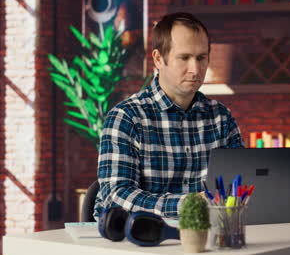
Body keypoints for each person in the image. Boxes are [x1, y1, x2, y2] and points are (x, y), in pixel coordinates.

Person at [94, 12, 244, 219]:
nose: (195, 69)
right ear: (158, 59)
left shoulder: (221, 117)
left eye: (201, 58)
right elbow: (116, 196)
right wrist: (189, 204)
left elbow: (239, 184)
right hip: (143, 243)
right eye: (184, 58)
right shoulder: (126, 118)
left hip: (211, 238)